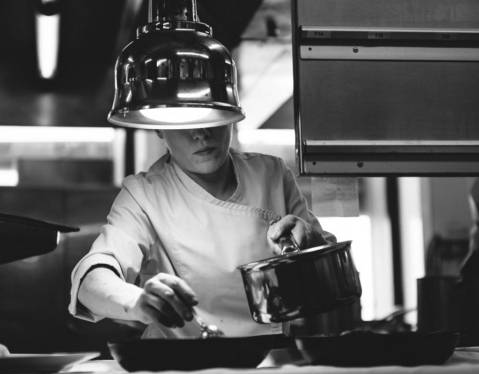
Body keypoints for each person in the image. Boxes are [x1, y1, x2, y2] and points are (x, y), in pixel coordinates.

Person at [69, 124, 334, 338]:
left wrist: (310, 244)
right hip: (182, 367)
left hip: (272, 360)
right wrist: (139, 301)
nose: (201, 134)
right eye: (184, 123)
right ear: (159, 129)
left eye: (212, 119)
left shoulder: (271, 174)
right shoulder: (143, 194)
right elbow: (93, 281)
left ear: (232, 117)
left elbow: (332, 280)